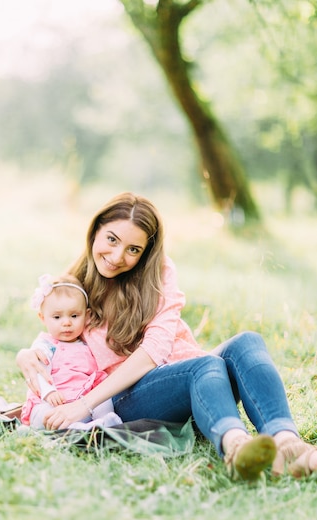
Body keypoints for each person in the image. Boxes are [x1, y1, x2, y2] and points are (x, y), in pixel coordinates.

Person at [17, 192, 317, 479]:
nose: (117, 256)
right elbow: (56, 333)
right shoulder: (75, 287)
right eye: (111, 239)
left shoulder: (158, 273)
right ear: (95, 230)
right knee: (205, 366)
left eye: (133, 249)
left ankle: (288, 443)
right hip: (125, 394)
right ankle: (236, 446)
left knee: (247, 342)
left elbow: (156, 349)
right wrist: (27, 356)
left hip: (192, 376)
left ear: (145, 252)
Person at [20, 273, 122, 431]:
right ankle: (77, 429)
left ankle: (105, 421)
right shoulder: (45, 344)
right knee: (44, 415)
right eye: (57, 317)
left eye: (74, 316)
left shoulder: (88, 344)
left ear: (87, 316)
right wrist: (48, 393)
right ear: (43, 318)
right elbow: (39, 371)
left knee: (103, 399)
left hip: (81, 403)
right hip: (53, 402)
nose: (66, 323)